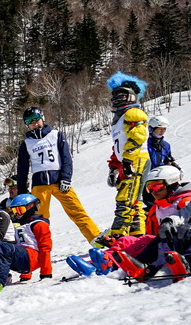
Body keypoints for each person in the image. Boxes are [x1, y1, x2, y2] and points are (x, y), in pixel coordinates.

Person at [14, 107, 100, 244]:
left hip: (60, 182)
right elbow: (22, 169)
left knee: (77, 211)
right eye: (30, 122)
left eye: (36, 119)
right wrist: (22, 193)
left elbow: (66, 158)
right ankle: (39, 247)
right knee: (38, 218)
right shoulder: (26, 143)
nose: (34, 123)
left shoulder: (56, 135)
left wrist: (66, 178)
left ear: (42, 118)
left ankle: (95, 237)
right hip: (39, 186)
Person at [101, 75, 150, 242]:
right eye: (115, 96)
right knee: (134, 201)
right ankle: (137, 237)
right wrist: (114, 167)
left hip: (136, 160)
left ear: (131, 96)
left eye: (121, 96)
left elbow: (137, 137)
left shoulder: (133, 112)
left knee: (125, 199)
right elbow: (118, 146)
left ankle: (118, 237)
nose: (117, 99)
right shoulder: (119, 119)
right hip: (127, 161)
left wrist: (128, 161)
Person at [0, 193, 52, 292]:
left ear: (31, 207)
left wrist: (46, 273)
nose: (17, 214)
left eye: (19, 210)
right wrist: (25, 276)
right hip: (22, 258)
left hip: (33, 258)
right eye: (14, 211)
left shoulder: (39, 224)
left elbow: (45, 248)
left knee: (3, 248)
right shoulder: (19, 224)